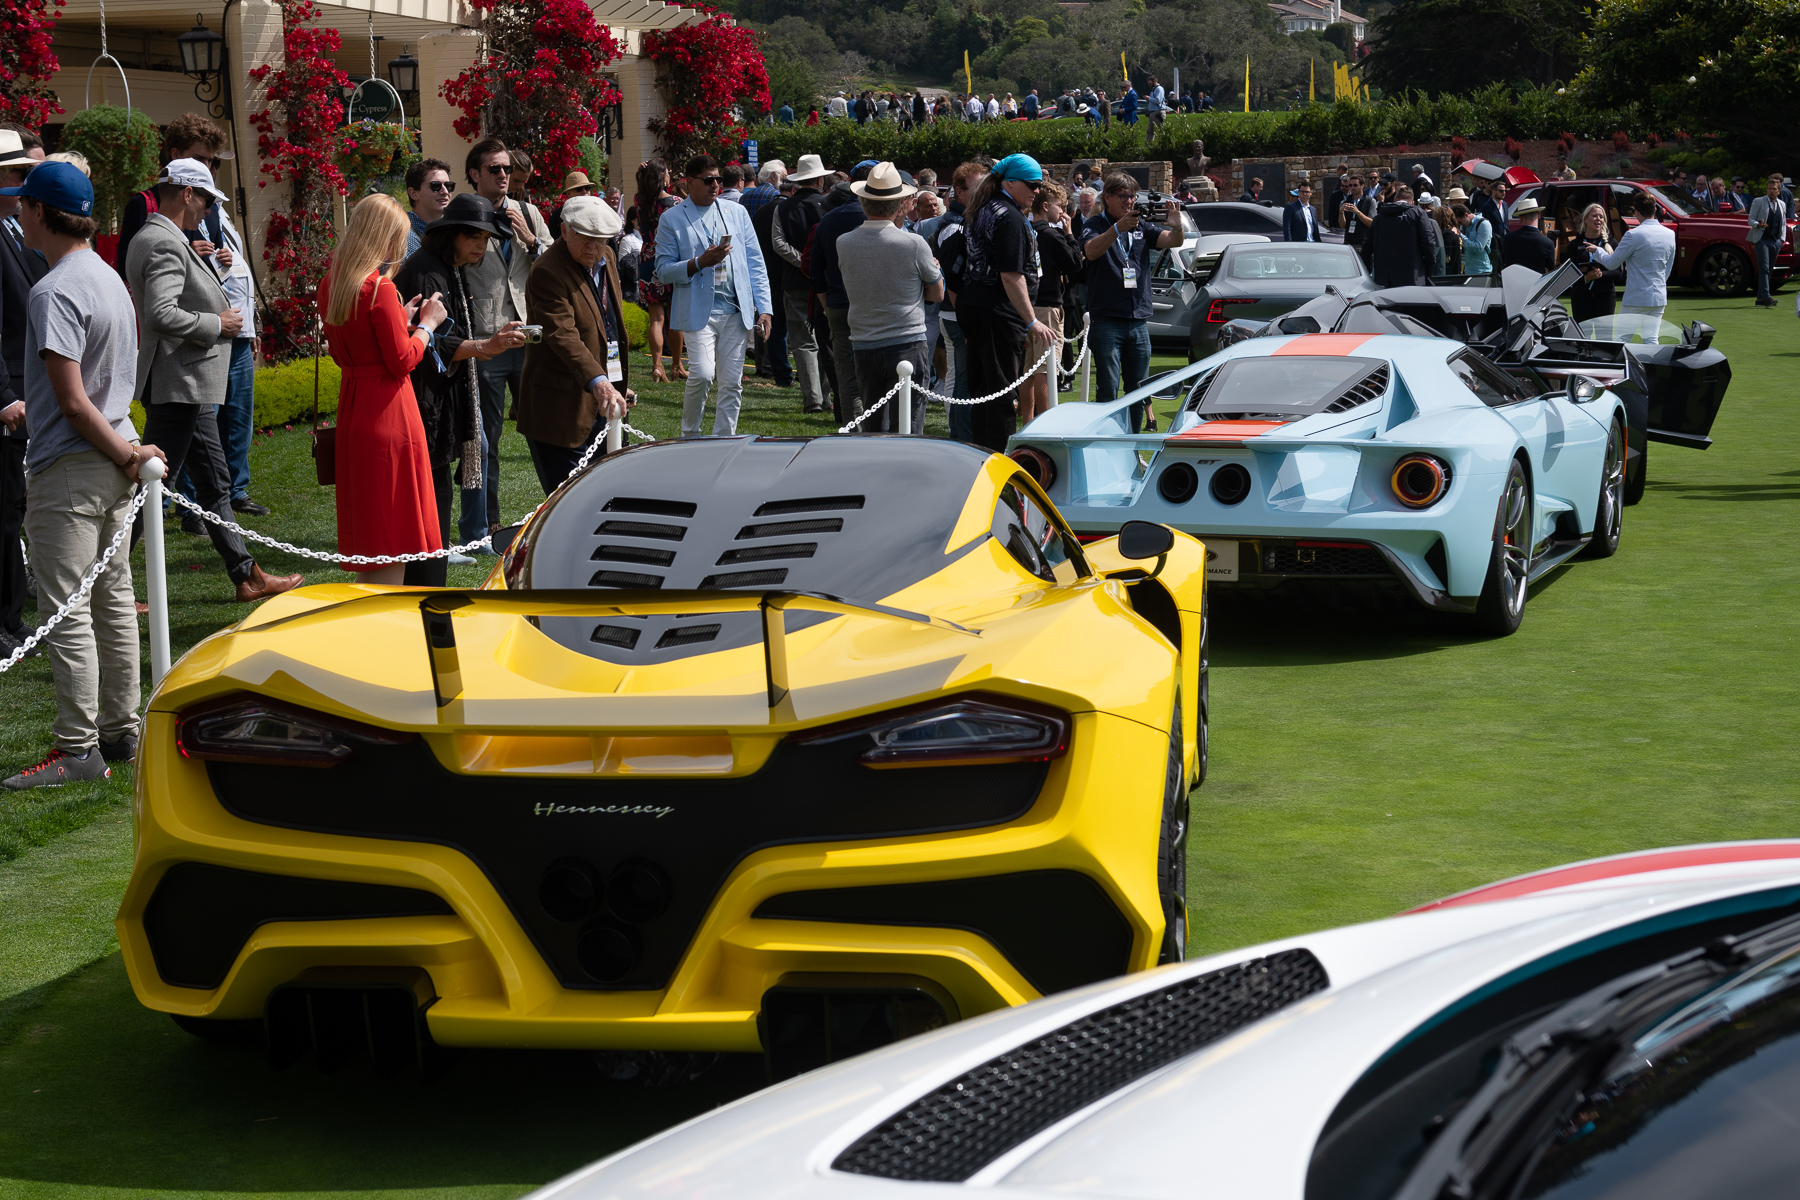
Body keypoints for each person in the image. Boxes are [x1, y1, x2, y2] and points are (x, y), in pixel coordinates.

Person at [0, 164, 159, 786]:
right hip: (111, 460)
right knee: (112, 601)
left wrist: (123, 455)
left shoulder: (54, 288)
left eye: (23, 203)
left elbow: (71, 401)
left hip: (76, 465)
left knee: (67, 612)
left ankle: (78, 750)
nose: (17, 212)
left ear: (40, 211)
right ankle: (120, 732)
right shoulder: (105, 275)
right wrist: (126, 454)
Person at [126, 159, 299, 604]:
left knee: (212, 485)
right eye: (205, 200)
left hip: (186, 384)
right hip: (178, 383)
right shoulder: (162, 241)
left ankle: (247, 576)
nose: (207, 210)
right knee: (151, 489)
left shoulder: (167, 238)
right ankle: (111, 589)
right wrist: (216, 323)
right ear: (187, 193)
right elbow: (160, 313)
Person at [393, 193, 526, 583]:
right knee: (431, 495)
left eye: (485, 239)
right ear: (451, 234)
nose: (480, 246)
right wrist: (485, 347)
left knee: (443, 489)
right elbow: (431, 342)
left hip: (441, 396)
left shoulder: (448, 266)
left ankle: (438, 562)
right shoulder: (426, 270)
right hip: (423, 401)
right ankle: (426, 576)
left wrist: (483, 345)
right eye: (473, 237)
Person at [318, 195, 445, 586]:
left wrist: (399, 322)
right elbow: (403, 360)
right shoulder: (379, 288)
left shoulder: (331, 284)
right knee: (394, 537)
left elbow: (349, 350)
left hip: (355, 407)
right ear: (386, 237)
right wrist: (427, 326)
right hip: (390, 412)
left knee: (372, 534)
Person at [460, 138, 550, 552]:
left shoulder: (529, 213)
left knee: (545, 431)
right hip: (488, 339)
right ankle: (485, 524)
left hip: (531, 336)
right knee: (484, 440)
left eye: (507, 169)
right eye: (494, 169)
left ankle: (559, 511)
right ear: (474, 174)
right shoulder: (464, 213)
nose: (503, 175)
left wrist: (531, 239)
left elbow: (554, 263)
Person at [651, 154, 773, 437]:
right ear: (689, 182)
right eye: (708, 180)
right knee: (703, 374)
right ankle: (690, 436)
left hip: (736, 310)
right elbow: (663, 270)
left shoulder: (737, 212)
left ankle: (724, 439)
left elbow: (755, 262)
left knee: (731, 382)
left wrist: (765, 308)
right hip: (698, 311)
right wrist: (699, 263)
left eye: (717, 179)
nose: (715, 185)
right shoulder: (671, 218)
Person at [518, 195, 632, 491]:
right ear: (564, 230)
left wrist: (614, 381)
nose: (593, 246)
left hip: (604, 401)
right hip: (561, 410)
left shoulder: (607, 258)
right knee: (569, 500)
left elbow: (608, 326)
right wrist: (599, 381)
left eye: (600, 238)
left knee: (610, 493)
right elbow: (562, 334)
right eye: (585, 237)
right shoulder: (547, 270)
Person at [836, 164, 941, 434]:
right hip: (906, 340)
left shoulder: (844, 242)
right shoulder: (913, 243)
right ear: (900, 204)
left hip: (863, 342)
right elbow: (937, 293)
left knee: (874, 426)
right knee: (908, 427)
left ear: (864, 201)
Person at [960, 154, 1051, 452]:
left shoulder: (985, 207)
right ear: (1010, 183)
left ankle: (980, 456)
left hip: (979, 309)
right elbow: (1011, 275)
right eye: (1032, 184)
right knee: (1000, 395)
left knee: (983, 392)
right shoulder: (1008, 216)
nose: (1037, 191)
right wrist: (1031, 321)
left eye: (1039, 185)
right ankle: (998, 460)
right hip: (997, 315)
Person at [1082, 171, 1184, 432]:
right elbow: (1090, 251)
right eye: (1123, 196)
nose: (1129, 201)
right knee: (1108, 389)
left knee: (1139, 390)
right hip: (1107, 319)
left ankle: (1132, 444)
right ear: (1107, 197)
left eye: (1132, 196)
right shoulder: (1095, 224)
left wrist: (1177, 226)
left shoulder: (1141, 226)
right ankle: (1106, 444)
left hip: (1137, 320)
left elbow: (1172, 240)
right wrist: (1118, 228)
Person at [0, 133, 46, 660]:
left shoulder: (13, 231)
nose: (22, 182)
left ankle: (10, 619)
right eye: (16, 174)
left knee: (11, 513)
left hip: (22, 395)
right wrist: (4, 395)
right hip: (9, 402)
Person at [114, 112, 229, 286]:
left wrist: (225, 259)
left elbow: (216, 259)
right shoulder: (145, 202)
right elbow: (126, 266)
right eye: (199, 159)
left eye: (211, 161)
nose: (207, 167)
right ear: (175, 154)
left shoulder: (211, 206)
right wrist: (184, 254)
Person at [811, 162, 880, 426]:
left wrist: (826, 303)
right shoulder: (879, 219)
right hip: (871, 306)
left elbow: (815, 269)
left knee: (847, 375)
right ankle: (872, 428)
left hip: (839, 305)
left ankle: (854, 430)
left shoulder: (829, 219)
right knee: (875, 372)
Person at [770, 153, 833, 415]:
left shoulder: (782, 207)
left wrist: (803, 262)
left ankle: (813, 399)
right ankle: (826, 397)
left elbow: (778, 243)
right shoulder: (829, 206)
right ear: (819, 180)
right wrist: (815, 265)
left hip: (795, 281)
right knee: (828, 339)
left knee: (803, 342)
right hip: (827, 281)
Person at [931, 161, 985, 444]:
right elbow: (952, 277)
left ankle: (960, 434)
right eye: (976, 188)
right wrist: (965, 318)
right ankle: (962, 437)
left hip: (956, 313)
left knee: (957, 376)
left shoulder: (961, 221)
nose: (982, 193)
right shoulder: (954, 226)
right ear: (959, 193)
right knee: (960, 379)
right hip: (956, 314)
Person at [1024, 181, 1079, 425]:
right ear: (1046, 206)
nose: (1063, 212)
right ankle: (1044, 423)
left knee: (1028, 369)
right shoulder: (1051, 234)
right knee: (1046, 368)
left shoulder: (1026, 230)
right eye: (1060, 206)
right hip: (1047, 307)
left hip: (1028, 305)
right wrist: (1069, 233)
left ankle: (1028, 420)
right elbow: (1075, 264)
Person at [634, 158, 686, 385]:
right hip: (669, 259)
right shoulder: (675, 202)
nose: (669, 175)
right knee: (675, 318)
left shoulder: (639, 200)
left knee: (656, 318)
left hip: (647, 259)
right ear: (662, 176)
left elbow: (641, 190)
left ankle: (657, 365)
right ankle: (677, 365)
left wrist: (640, 175)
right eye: (667, 172)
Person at [1594, 193, 1676, 324]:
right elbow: (1668, 269)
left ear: (1636, 212)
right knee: (1652, 336)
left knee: (1623, 335)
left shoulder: (1632, 235)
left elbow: (1611, 264)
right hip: (1659, 296)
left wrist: (1597, 250)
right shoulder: (1670, 234)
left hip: (1636, 297)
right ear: (1655, 209)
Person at [749, 176, 793, 388]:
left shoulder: (763, 210)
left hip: (766, 273)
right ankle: (788, 373)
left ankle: (774, 369)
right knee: (792, 329)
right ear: (793, 191)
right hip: (789, 274)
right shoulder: (788, 210)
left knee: (772, 326)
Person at [1368, 184, 1435, 287]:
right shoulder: (1418, 214)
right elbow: (1428, 242)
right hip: (1412, 277)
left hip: (1384, 279)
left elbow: (1367, 246)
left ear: (1395, 199)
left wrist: (1368, 270)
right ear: (1412, 203)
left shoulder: (1379, 217)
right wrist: (1429, 269)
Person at [1565, 203, 1622, 323]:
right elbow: (1567, 274)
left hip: (1605, 296)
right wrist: (1586, 278)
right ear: (1585, 219)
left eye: (1601, 217)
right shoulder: (1574, 245)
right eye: (1594, 216)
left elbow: (1619, 272)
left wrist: (1601, 275)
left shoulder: (1611, 243)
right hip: (1581, 296)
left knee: (1604, 333)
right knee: (1583, 333)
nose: (1598, 219)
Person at [1748, 175, 1789, 307]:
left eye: (1774, 189)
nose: (1771, 191)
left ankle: (1760, 300)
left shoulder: (1782, 204)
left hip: (1775, 240)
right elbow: (1750, 219)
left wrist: (1781, 239)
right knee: (1764, 268)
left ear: (1779, 191)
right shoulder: (1758, 201)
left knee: (1769, 269)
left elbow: (1783, 223)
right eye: (1769, 189)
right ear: (1767, 190)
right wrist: (1758, 225)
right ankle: (1767, 297)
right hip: (1761, 238)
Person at [405, 158, 454, 257]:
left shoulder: (453, 232)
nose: (445, 191)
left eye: (449, 185)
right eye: (435, 186)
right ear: (414, 193)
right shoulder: (404, 235)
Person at [1499, 197, 1555, 273]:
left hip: (1512, 280)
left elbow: (1502, 263)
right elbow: (1551, 271)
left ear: (1520, 218)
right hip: (1537, 280)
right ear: (1539, 215)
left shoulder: (1508, 239)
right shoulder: (1547, 243)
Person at [1431, 203, 1463, 276]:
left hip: (1448, 274)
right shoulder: (1454, 231)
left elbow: (1446, 258)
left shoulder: (1447, 235)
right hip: (1455, 272)